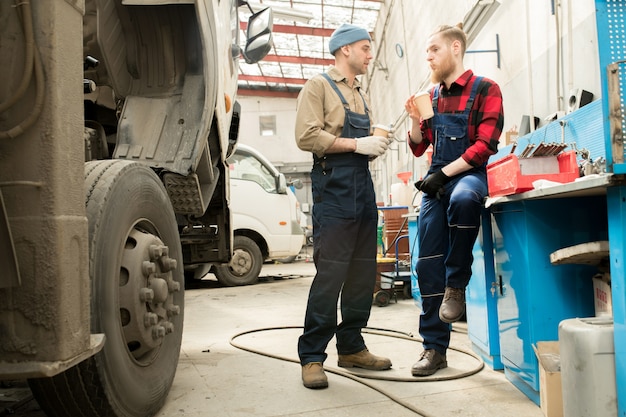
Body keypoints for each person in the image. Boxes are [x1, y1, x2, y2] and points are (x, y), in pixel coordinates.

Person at [294, 23, 393, 389]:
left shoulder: (359, 93)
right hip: (334, 188)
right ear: (345, 50)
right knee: (331, 273)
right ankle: (312, 356)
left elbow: (362, 139)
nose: (370, 55)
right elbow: (306, 135)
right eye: (365, 48)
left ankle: (351, 346)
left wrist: (377, 141)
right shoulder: (319, 86)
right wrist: (357, 145)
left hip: (362, 189)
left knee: (362, 273)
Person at [404, 23, 504, 377]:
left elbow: (484, 146)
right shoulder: (432, 97)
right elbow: (419, 145)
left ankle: (456, 283)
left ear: (456, 48)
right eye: (426, 52)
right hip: (436, 179)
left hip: (468, 175)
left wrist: (444, 175)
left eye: (434, 49)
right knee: (426, 264)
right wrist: (416, 120)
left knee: (463, 199)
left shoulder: (485, 89)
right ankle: (434, 348)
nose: (428, 57)